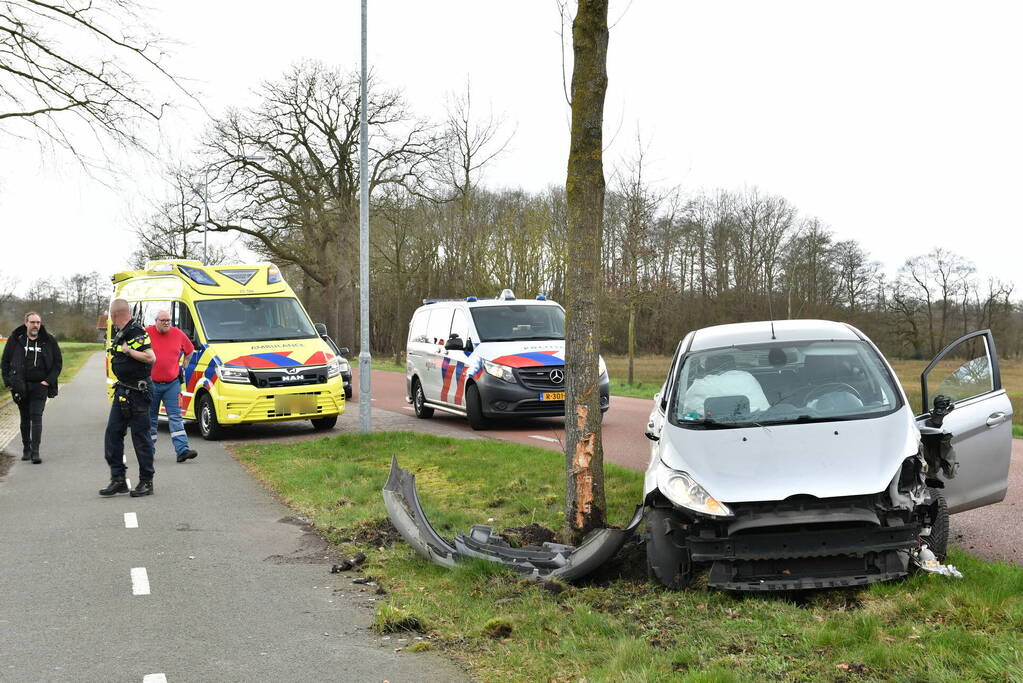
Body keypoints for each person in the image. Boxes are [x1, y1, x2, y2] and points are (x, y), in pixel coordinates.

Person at [99, 299, 157, 497]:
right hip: (123, 390)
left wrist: (129, 351)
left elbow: (150, 357)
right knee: (113, 433)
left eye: (111, 316)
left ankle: (146, 481)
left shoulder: (136, 332)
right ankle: (118, 479)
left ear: (115, 315)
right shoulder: (121, 333)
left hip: (138, 392)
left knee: (140, 437)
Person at [1, 312, 62, 464]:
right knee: (25, 418)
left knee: (36, 417)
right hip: (20, 385)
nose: (36, 325)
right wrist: (8, 382)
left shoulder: (49, 340)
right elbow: (5, 361)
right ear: (26, 323)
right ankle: (26, 448)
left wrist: (47, 382)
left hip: (40, 386)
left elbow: (57, 364)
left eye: (38, 322)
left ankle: (35, 452)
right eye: (33, 322)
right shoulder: (16, 339)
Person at [146, 310, 198, 463]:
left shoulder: (178, 334)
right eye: (163, 320)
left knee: (176, 417)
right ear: (156, 321)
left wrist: (183, 366)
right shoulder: (146, 333)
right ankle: (148, 452)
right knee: (150, 418)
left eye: (168, 320)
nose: (166, 323)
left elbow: (189, 351)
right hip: (151, 384)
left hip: (172, 384)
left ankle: (182, 451)